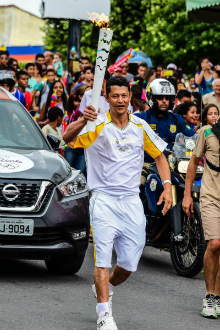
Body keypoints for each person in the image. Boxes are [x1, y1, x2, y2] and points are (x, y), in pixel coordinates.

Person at [63, 76, 173, 330]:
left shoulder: (140, 126)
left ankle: (106, 287)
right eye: (115, 96)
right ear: (108, 98)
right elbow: (67, 138)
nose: (120, 101)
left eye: (124, 96)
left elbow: (160, 156)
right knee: (102, 259)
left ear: (129, 96)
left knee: (129, 264)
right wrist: (82, 119)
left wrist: (167, 188)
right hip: (103, 200)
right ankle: (104, 314)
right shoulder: (95, 124)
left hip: (131, 201)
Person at [183, 120, 220, 319]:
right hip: (210, 196)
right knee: (214, 244)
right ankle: (209, 295)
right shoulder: (206, 132)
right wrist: (187, 195)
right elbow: (193, 162)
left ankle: (218, 296)